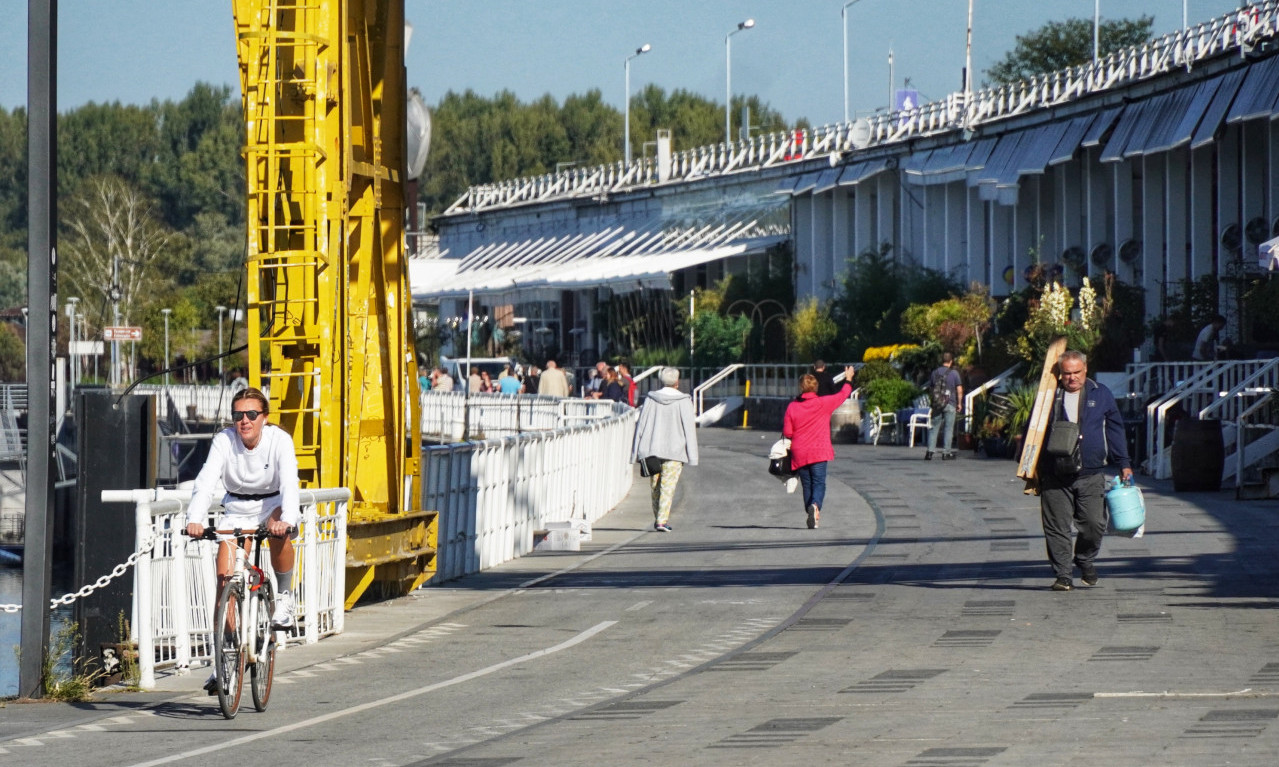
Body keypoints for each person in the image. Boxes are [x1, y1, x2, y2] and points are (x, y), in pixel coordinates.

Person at [184, 388, 300, 692]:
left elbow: (289, 483)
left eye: (251, 414)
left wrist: (288, 519)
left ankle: (285, 596)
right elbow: (206, 480)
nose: (244, 421)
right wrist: (194, 520)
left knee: (278, 531)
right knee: (225, 585)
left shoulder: (279, 441)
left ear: (264, 417)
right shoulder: (225, 440)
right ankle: (224, 662)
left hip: (271, 505)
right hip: (236, 509)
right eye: (238, 415)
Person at [1037, 350, 1133, 591]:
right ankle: (1063, 576)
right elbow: (1033, 433)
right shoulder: (1048, 396)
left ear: (1086, 370)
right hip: (1054, 473)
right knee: (1056, 527)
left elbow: (1115, 430)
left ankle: (1085, 559)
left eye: (1076, 372)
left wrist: (1124, 463)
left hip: (1091, 472)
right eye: (1066, 373)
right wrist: (1030, 468)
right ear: (1060, 373)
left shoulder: (1101, 394)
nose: (1072, 378)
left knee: (1093, 524)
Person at [783, 366, 856, 529]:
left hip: (800, 452)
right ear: (815, 387)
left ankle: (811, 510)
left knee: (807, 484)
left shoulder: (792, 407)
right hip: (819, 451)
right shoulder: (824, 403)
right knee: (819, 483)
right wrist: (848, 378)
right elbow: (842, 395)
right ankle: (815, 506)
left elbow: (787, 432)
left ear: (801, 387)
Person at [630, 367, 698, 532]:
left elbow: (641, 426)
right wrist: (693, 456)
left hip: (652, 449)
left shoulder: (651, 399)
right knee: (668, 486)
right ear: (677, 381)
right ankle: (661, 520)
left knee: (655, 486)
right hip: (675, 451)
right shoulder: (684, 401)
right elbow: (689, 429)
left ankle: (659, 518)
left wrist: (634, 454)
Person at [925, 352, 964, 460]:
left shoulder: (934, 373)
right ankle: (946, 453)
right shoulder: (954, 373)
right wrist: (959, 403)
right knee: (948, 428)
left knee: (934, 428)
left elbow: (931, 389)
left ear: (942, 361)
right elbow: (959, 390)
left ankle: (929, 452)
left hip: (937, 404)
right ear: (951, 361)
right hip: (950, 403)